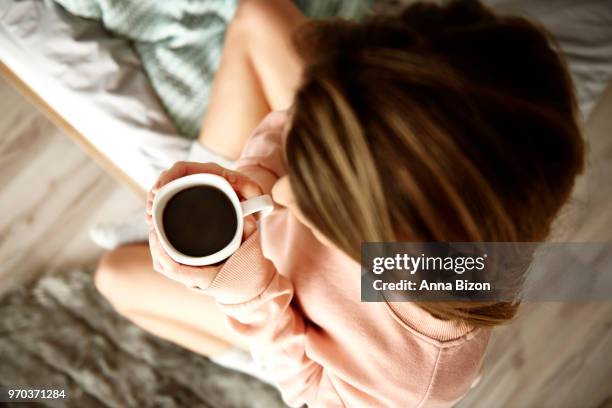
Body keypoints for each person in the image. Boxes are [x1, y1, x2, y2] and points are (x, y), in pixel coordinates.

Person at [95, 0, 585, 406]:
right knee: (259, 16)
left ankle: (253, 359)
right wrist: (253, 175)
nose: (286, 197)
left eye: (317, 201)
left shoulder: (415, 374)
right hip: (296, 239)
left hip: (297, 332)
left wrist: (243, 288)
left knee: (114, 275)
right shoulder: (428, 162)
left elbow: (309, 389)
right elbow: (297, 118)